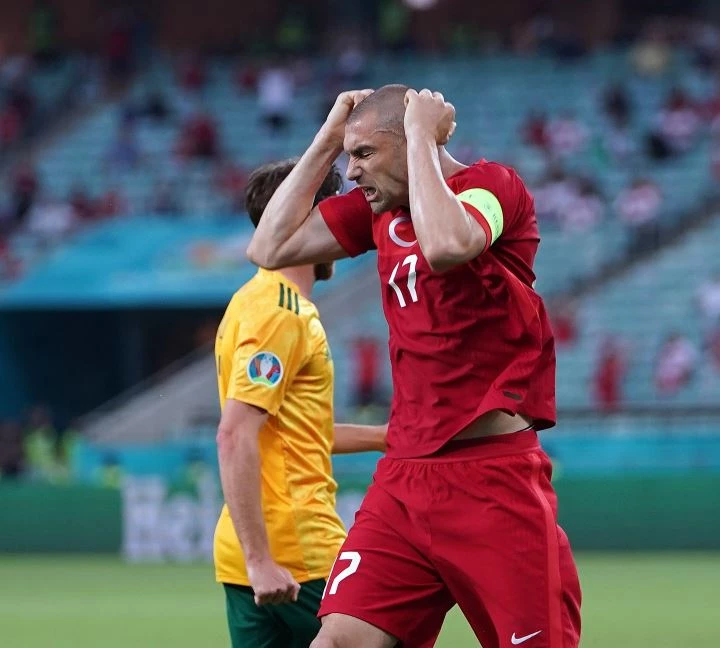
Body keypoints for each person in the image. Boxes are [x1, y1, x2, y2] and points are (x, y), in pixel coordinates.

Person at [247, 85, 581, 648]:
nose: (352, 172)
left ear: (407, 141)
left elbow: (448, 243)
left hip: (491, 478)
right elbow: (269, 247)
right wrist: (331, 137)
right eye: (349, 158)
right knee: (337, 641)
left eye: (365, 155)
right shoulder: (375, 209)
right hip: (405, 476)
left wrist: (421, 136)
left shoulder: (494, 186)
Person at [214, 158, 387, 648]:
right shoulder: (282, 313)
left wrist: (385, 438)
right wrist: (261, 559)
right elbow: (234, 432)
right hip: (296, 553)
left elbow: (292, 433)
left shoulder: (251, 301)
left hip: (253, 555)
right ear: (305, 217)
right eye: (332, 212)